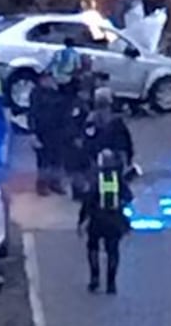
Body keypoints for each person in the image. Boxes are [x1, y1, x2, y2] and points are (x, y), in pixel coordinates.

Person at [78, 148, 132, 294]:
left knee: (93, 248)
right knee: (113, 251)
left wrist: (81, 221)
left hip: (97, 219)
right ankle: (111, 283)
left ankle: (95, 279)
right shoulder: (118, 179)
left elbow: (87, 201)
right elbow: (128, 197)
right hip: (114, 219)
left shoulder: (95, 178)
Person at [29, 69, 70, 196]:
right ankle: (41, 185)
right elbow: (33, 114)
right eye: (47, 78)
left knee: (57, 158)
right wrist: (33, 133)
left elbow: (63, 108)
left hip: (56, 131)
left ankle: (55, 183)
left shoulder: (55, 93)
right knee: (43, 160)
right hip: (42, 132)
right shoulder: (37, 94)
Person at [80, 86, 135, 171]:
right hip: (109, 160)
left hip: (104, 160)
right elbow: (125, 141)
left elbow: (87, 142)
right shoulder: (114, 121)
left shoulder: (91, 121)